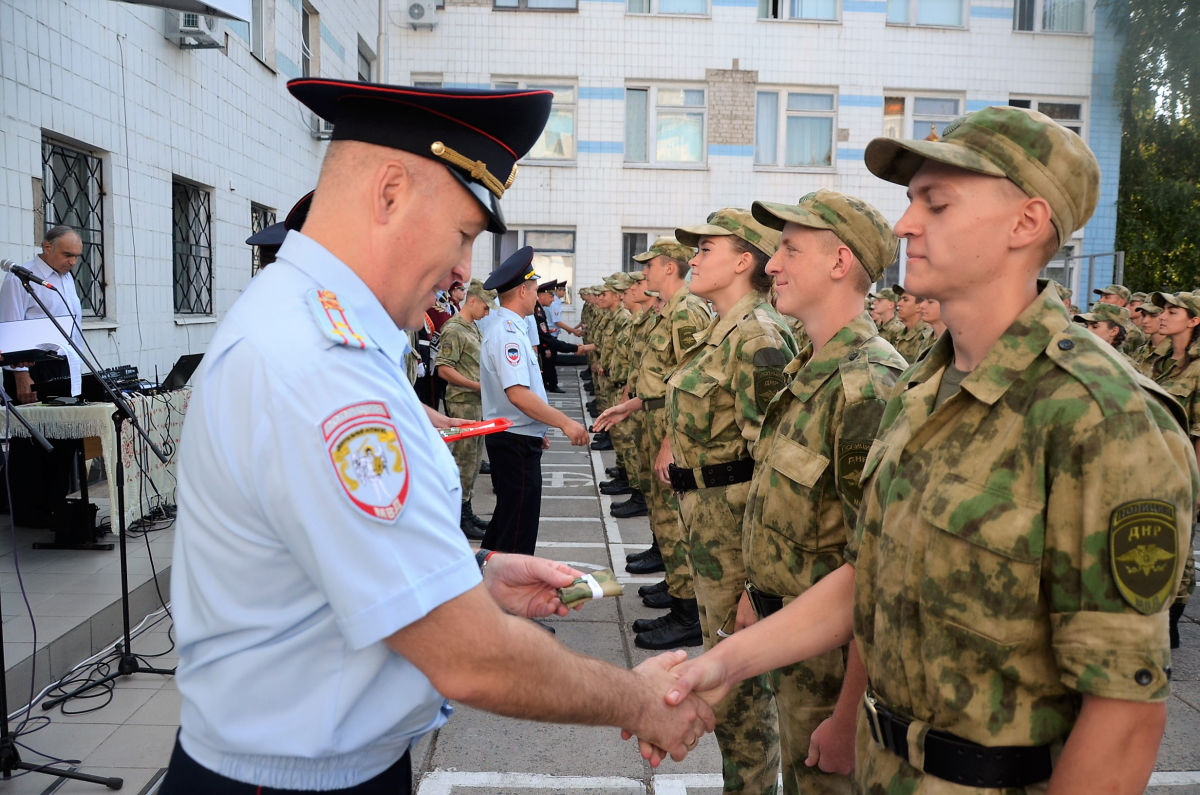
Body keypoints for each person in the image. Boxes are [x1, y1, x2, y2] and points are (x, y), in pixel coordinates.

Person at [164, 79, 714, 795]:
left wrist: (473, 573)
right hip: (292, 781)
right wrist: (639, 701)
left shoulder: (312, 328)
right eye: (462, 235)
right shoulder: (320, 365)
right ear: (389, 191)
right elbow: (470, 659)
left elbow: (336, 549)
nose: (464, 270)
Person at [653, 105, 1198, 793]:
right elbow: (866, 573)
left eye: (935, 204)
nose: (906, 225)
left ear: (1026, 223)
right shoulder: (922, 390)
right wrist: (721, 664)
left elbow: (1122, 719)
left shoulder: (1103, 418)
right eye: (911, 203)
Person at [742, 190, 908, 794]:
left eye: (789, 248)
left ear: (840, 262)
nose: (771, 265)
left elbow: (876, 572)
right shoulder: (810, 372)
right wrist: (752, 597)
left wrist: (847, 717)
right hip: (792, 649)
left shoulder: (869, 386)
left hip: (834, 678)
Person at [663, 207, 798, 793]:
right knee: (728, 689)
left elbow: (768, 463)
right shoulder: (723, 330)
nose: (694, 259)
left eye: (705, 250)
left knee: (741, 698)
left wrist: (753, 580)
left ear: (745, 261)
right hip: (708, 525)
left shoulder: (758, 337)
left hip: (735, 535)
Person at [594, 236, 711, 649]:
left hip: (669, 423)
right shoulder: (670, 313)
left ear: (668, 267)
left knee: (674, 516)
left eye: (649, 265)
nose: (643, 273)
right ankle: (676, 590)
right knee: (663, 512)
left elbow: (688, 386)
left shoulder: (687, 314)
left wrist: (669, 442)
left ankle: (687, 613)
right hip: (653, 415)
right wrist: (630, 406)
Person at [480, 247, 590, 557]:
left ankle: (489, 584)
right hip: (512, 440)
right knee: (518, 530)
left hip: (517, 436)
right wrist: (564, 422)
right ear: (524, 291)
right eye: (534, 287)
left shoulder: (509, 328)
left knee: (508, 519)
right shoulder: (508, 334)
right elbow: (518, 394)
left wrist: (536, 428)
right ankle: (509, 599)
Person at [0, 225, 86, 528]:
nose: (72, 262)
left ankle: (55, 503)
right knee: (32, 442)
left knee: (64, 439)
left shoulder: (66, 279)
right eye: (67, 255)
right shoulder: (19, 279)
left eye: (77, 256)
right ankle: (27, 510)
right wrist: (21, 375)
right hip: (32, 367)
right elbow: (9, 328)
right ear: (46, 248)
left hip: (64, 365)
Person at [1146, 290, 1199, 647]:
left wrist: (1197, 489)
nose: (1163, 316)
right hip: (1148, 464)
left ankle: (1171, 626)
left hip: (1183, 470)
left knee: (1178, 550)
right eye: (1163, 310)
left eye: (1173, 311)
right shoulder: (1157, 360)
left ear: (1194, 321)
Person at [434, 278, 494, 540]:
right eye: (485, 306)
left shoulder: (472, 327)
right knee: (462, 461)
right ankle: (457, 516)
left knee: (472, 463)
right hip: (462, 402)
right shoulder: (455, 329)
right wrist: (475, 385)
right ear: (472, 301)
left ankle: (466, 510)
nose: (487, 311)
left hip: (475, 402)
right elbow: (444, 368)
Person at [890, 285, 932, 363]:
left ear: (919, 306)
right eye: (900, 299)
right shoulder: (899, 333)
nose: (899, 304)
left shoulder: (926, 336)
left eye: (905, 300)